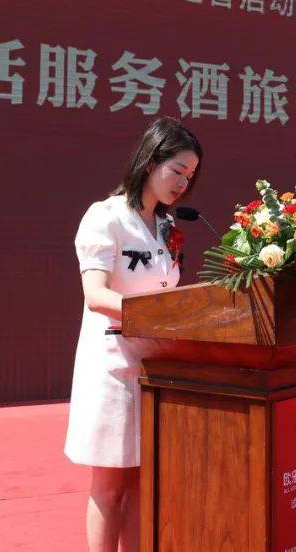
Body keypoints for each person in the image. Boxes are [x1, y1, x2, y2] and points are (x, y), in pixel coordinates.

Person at [64, 117, 202, 552]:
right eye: (177, 171)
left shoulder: (165, 227)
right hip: (113, 368)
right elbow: (96, 295)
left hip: (157, 369)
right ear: (150, 160)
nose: (183, 183)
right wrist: (158, 319)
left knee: (145, 484)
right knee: (111, 487)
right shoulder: (105, 217)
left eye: (190, 176)